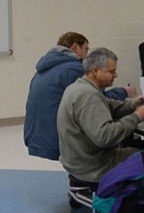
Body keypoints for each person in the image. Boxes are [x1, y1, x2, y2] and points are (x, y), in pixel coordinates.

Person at [24, 32, 135, 161]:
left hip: (35, 136)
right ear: (75, 47)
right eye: (86, 49)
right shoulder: (75, 68)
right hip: (57, 139)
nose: (88, 55)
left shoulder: (42, 69)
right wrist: (124, 92)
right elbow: (97, 98)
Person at [57, 47, 144, 183]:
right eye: (111, 71)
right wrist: (136, 117)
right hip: (93, 166)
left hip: (77, 160)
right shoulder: (88, 96)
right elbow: (105, 137)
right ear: (95, 71)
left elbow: (107, 104)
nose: (116, 75)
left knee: (137, 150)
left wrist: (133, 105)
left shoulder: (78, 87)